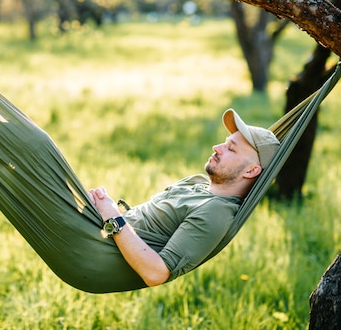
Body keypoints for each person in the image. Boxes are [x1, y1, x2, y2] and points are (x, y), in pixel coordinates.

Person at [89, 108, 280, 287]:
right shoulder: (196, 182)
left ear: (251, 170)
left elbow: (156, 274)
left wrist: (113, 217)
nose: (217, 147)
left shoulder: (215, 213)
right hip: (93, 230)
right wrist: (100, 208)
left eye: (231, 149)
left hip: (94, 252)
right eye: (225, 142)